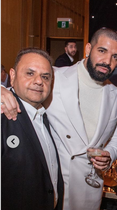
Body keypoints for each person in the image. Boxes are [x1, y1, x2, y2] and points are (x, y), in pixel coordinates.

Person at [1, 27, 117, 210]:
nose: (107, 61)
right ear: (88, 49)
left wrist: (110, 155)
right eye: (102, 51)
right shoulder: (54, 76)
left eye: (115, 57)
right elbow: (25, 85)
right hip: (53, 183)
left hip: (90, 187)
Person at [1, 48, 64, 210]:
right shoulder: (3, 113)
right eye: (30, 73)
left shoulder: (45, 116)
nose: (38, 81)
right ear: (13, 75)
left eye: (45, 76)